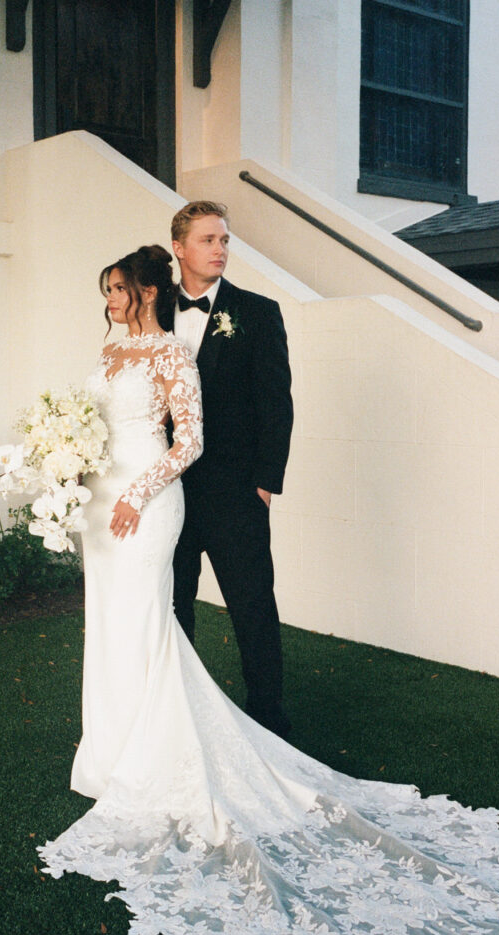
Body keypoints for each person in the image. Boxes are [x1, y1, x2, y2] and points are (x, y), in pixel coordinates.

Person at [38, 245, 499, 935]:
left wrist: (137, 493)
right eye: (102, 288)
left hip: (145, 503)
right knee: (109, 627)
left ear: (144, 290)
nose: (108, 299)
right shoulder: (108, 348)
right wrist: (67, 468)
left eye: (117, 288)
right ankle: (105, 751)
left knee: (151, 625)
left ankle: (155, 757)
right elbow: (95, 422)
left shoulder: (173, 349)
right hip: (101, 506)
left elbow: (190, 440)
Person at [171, 201, 293, 739]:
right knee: (173, 609)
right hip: (168, 497)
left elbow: (277, 403)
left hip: (236, 494)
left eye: (224, 240)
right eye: (208, 240)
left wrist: (265, 485)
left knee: (252, 609)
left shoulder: (258, 312)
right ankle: (178, 713)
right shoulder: (151, 314)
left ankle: (269, 717)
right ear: (179, 248)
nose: (220, 249)